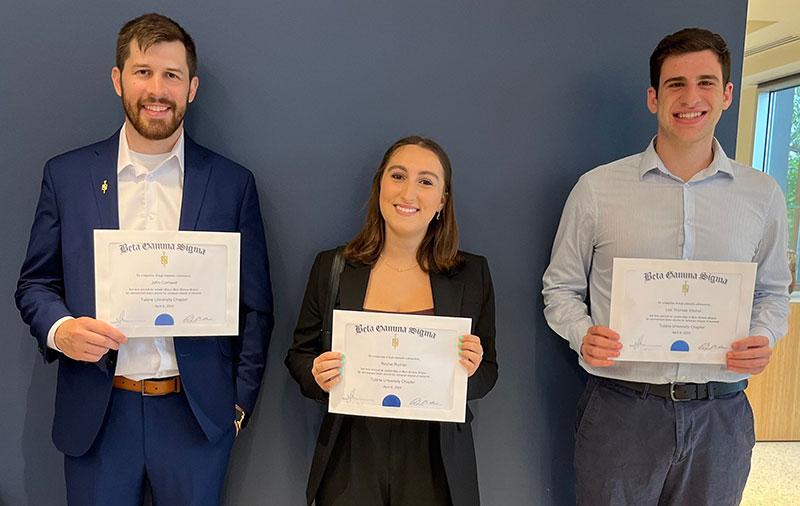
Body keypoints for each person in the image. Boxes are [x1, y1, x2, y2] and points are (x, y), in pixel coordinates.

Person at [15, 13, 273, 505]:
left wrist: (237, 405)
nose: (158, 89)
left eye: (172, 75)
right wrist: (61, 330)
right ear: (118, 80)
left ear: (192, 88)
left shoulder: (231, 184)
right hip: (98, 415)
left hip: (195, 420)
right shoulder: (66, 177)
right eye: (143, 72)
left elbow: (255, 307)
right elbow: (35, 284)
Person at [542, 27, 790, 505]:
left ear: (727, 94)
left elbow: (774, 290)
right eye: (676, 84)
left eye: (706, 82)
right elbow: (560, 289)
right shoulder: (597, 189)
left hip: (721, 415)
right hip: (622, 410)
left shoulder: (762, 196)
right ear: (654, 98)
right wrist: (583, 332)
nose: (691, 97)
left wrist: (765, 334)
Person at [286, 136, 497, 506]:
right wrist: (317, 375)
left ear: (443, 201)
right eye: (398, 176)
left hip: (436, 460)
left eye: (426, 181)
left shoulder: (471, 274)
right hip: (350, 454)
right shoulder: (332, 267)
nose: (409, 192)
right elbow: (300, 355)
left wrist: (471, 369)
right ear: (380, 185)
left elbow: (487, 374)